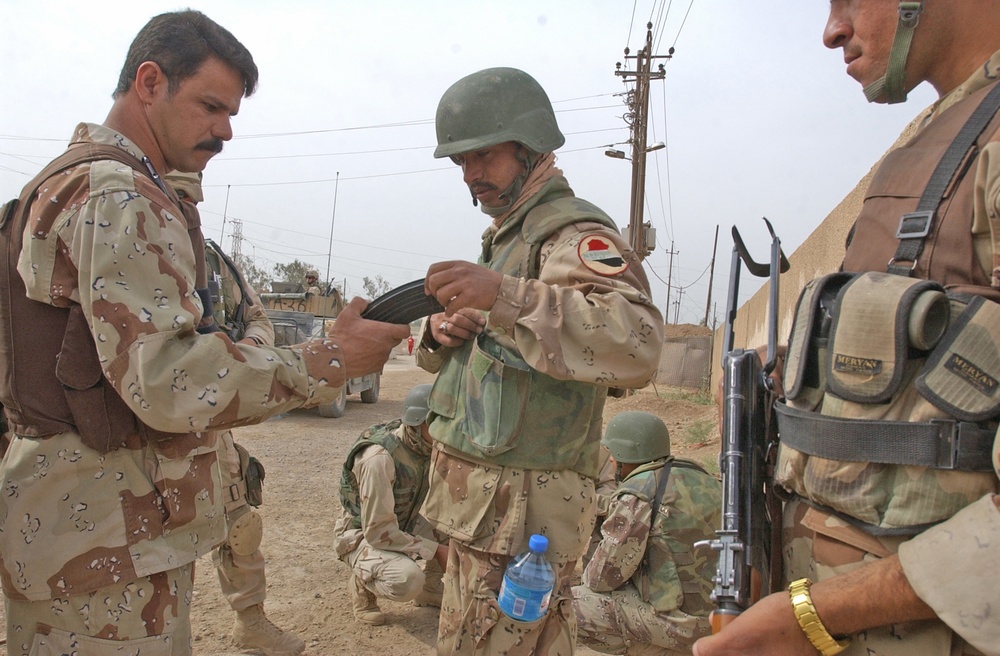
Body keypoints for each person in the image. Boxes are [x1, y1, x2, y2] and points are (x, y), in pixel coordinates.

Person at [0, 11, 408, 655]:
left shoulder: (72, 179)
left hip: (91, 531)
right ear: (150, 82)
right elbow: (168, 381)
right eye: (211, 106)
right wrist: (329, 358)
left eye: (233, 114)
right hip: (104, 544)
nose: (224, 131)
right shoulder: (120, 195)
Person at [693, 2, 1000, 655]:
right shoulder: (940, 135)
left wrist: (812, 615)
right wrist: (793, 376)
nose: (831, 30)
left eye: (848, 0)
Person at [415, 67, 665, 655]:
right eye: (460, 163)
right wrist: (443, 332)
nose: (471, 176)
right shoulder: (510, 237)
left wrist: (503, 296)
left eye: (483, 157)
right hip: (483, 509)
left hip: (520, 516)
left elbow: (639, 344)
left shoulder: (570, 232)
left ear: (530, 148)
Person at [166, 171, 304, 656]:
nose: (182, 207)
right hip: (136, 433)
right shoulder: (109, 236)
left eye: (187, 198)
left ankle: (250, 621)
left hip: (211, 425)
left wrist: (245, 352)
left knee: (241, 524)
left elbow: (259, 319)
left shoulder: (213, 263)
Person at [573, 411, 721, 656]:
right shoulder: (704, 478)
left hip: (682, 625)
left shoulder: (638, 492)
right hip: (723, 619)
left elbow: (600, 579)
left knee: (567, 604)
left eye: (614, 455)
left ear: (624, 456)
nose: (610, 462)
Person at [333, 383, 449, 625]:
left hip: (400, 521)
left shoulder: (423, 444)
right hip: (362, 533)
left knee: (452, 530)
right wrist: (435, 550)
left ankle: (430, 590)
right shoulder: (379, 459)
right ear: (418, 422)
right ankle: (362, 588)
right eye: (437, 423)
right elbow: (378, 532)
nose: (444, 430)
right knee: (407, 579)